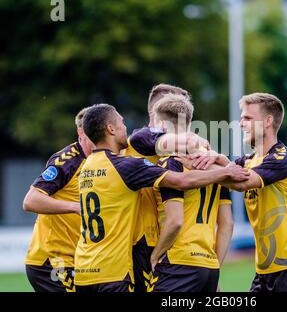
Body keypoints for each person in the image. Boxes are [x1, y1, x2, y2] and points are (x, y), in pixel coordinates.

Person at [74, 103, 248, 292]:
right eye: (122, 123)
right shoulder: (127, 166)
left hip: (84, 268)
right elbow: (182, 183)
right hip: (115, 272)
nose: (127, 128)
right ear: (111, 129)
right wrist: (225, 170)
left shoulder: (85, 167)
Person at [198, 93, 287, 292]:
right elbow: (230, 171)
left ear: (268, 121)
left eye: (248, 118)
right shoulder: (248, 160)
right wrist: (213, 157)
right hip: (264, 270)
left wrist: (197, 162)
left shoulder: (281, 158)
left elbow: (241, 181)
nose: (241, 123)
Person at [150, 94, 234, 292]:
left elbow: (175, 221)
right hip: (209, 266)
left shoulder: (172, 162)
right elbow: (227, 224)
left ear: (162, 125)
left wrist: (155, 256)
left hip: (178, 262)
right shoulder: (215, 165)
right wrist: (214, 265)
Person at [123, 83, 197, 292]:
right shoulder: (142, 138)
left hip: (170, 242)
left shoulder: (179, 149)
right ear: (156, 113)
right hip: (141, 240)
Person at [23, 107, 93, 292]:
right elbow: (31, 200)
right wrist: (75, 207)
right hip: (51, 261)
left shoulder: (102, 161)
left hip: (78, 259)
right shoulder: (67, 160)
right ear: (81, 131)